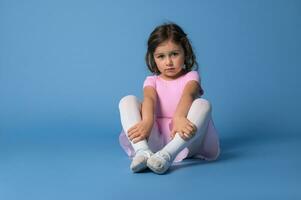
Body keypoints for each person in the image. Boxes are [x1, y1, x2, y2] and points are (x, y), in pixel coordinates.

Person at [118, 23, 220, 174]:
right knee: (127, 100)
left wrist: (179, 117)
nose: (168, 62)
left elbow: (189, 94)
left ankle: (167, 155)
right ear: (153, 57)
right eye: (161, 56)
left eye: (174, 54)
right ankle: (143, 151)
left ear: (185, 52)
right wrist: (147, 122)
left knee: (203, 104)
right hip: (155, 140)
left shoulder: (191, 76)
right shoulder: (152, 81)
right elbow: (150, 100)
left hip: (183, 140)